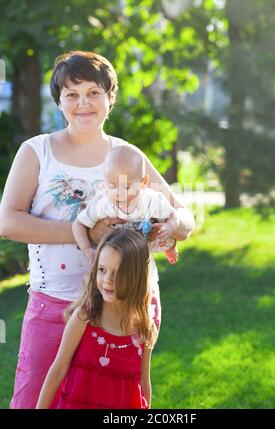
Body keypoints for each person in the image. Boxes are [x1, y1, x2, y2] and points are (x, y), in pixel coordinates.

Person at [0, 50, 195, 409]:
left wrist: (173, 227)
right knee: (33, 399)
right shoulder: (37, 151)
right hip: (56, 302)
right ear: (58, 101)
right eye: (71, 94)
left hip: (127, 306)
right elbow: (8, 222)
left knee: (115, 401)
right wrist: (87, 234)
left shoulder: (127, 154)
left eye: (93, 92)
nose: (83, 103)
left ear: (110, 98)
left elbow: (184, 217)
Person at [36, 228, 156, 409]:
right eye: (102, 269)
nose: (108, 279)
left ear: (136, 277)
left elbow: (144, 382)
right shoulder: (85, 317)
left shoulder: (144, 327)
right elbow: (58, 369)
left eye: (118, 272)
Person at [72, 144, 179, 265]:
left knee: (163, 237)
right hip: (119, 245)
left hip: (147, 238)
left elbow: (173, 216)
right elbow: (78, 224)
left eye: (127, 187)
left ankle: (170, 248)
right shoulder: (104, 203)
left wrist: (169, 227)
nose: (118, 193)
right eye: (112, 186)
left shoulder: (151, 200)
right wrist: (87, 250)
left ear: (143, 182)